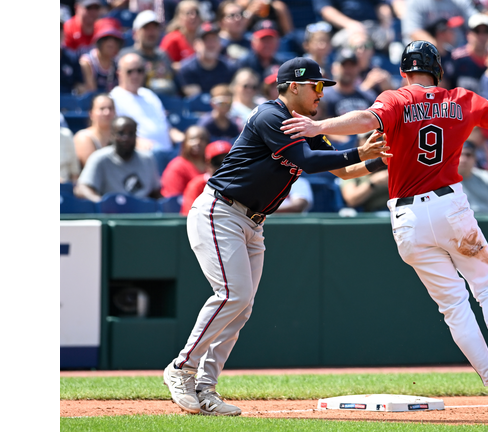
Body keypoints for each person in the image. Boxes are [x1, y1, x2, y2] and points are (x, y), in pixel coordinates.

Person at [281, 40, 488, 416]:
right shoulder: (461, 98)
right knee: (487, 286)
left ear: (404, 71)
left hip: (406, 219)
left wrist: (319, 125)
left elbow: (365, 120)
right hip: (449, 206)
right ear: (437, 69)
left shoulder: (395, 99)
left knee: (454, 307)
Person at [162, 57, 391, 416]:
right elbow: (310, 161)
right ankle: (181, 368)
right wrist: (358, 150)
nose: (321, 93)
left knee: (241, 307)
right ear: (294, 86)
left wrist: (379, 161)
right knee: (232, 295)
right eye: (316, 85)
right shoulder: (271, 115)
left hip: (254, 222)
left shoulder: (310, 126)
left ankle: (205, 388)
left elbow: (344, 171)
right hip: (220, 211)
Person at [110, 53, 186, 172]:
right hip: (143, 154)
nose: (135, 75)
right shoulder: (114, 98)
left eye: (139, 70)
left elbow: (166, 126)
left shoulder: (149, 95)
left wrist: (184, 139)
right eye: (130, 71)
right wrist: (137, 141)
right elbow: (114, 131)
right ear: (119, 73)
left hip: (168, 151)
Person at [75, 116, 163, 201]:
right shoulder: (99, 158)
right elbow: (82, 188)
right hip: (111, 213)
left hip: (142, 213)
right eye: (121, 133)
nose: (126, 138)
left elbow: (155, 192)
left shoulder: (147, 159)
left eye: (131, 133)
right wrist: (100, 203)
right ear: (112, 135)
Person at [118, 10, 178, 96]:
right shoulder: (127, 57)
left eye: (155, 28)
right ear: (135, 33)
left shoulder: (163, 55)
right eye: (146, 28)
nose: (151, 32)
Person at [178, 23, 237, 97]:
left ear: (220, 44)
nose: (211, 44)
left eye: (214, 39)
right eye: (206, 40)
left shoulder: (230, 68)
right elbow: (196, 99)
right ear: (196, 44)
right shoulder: (186, 69)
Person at [340, 131, 391, 212]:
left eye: (379, 138)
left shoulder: (393, 162)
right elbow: (351, 200)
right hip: (368, 215)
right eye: (369, 138)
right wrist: (373, 182)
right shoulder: (351, 168)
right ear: (360, 142)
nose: (375, 143)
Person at [180, 140, 232, 216]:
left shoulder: (240, 184)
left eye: (227, 162)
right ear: (208, 164)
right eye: (217, 162)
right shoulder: (197, 185)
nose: (222, 167)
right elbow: (189, 217)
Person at [448, 13, 488, 93]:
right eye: (477, 31)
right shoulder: (456, 58)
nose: (481, 36)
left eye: (485, 31)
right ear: (468, 34)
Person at [398, 0, 478, 46]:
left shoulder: (459, 2)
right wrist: (436, 50)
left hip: (460, 53)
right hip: (426, 55)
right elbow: (413, 31)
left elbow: (476, 22)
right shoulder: (415, 2)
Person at [161, 126, 210, 197]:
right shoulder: (177, 166)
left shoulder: (212, 164)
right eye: (192, 139)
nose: (197, 142)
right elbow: (174, 198)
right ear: (184, 143)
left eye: (202, 139)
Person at [73, 93, 117, 167]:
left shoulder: (121, 137)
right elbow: (93, 168)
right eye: (102, 109)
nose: (107, 113)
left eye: (110, 108)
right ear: (91, 113)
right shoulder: (83, 137)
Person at [160, 0, 203, 70]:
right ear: (179, 17)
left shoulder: (204, 38)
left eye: (197, 13)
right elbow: (163, 64)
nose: (193, 16)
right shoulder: (172, 39)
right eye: (188, 13)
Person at [79, 26, 123, 93]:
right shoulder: (88, 61)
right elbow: (91, 90)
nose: (111, 43)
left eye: (115, 40)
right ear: (99, 42)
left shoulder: (118, 61)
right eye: (106, 39)